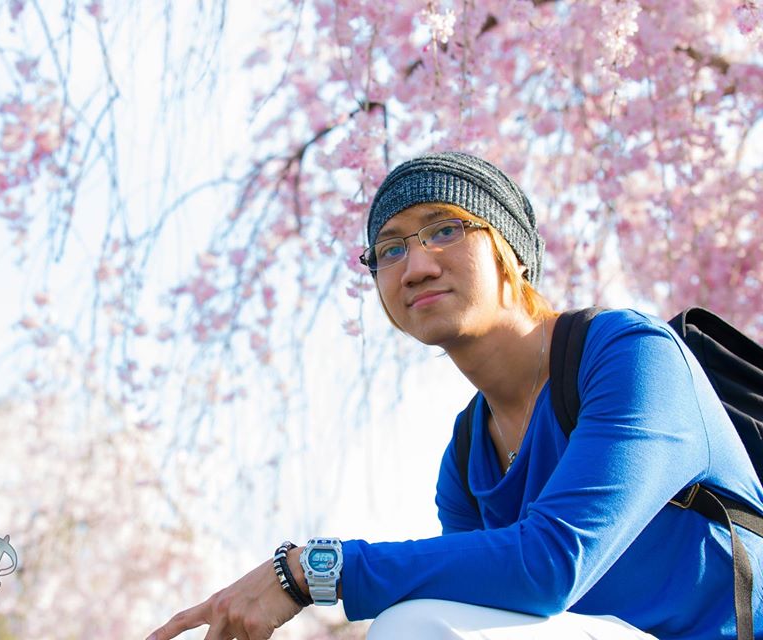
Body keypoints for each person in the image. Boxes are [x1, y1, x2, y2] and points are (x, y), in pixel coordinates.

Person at [147, 151, 763, 640]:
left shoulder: (627, 353)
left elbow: (549, 565)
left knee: (416, 627)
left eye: (444, 229)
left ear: (510, 250)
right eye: (390, 249)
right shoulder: (469, 455)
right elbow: (480, 602)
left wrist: (313, 571)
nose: (416, 267)